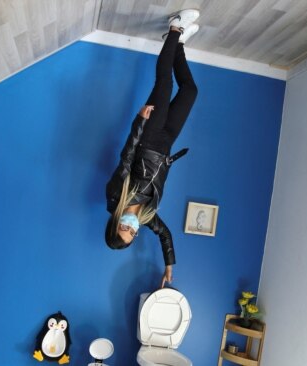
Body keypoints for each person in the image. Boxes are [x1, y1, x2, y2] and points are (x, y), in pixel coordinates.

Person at [105, 9, 200, 288]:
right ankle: (179, 45)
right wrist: (169, 265)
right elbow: (165, 235)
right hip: (166, 143)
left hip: (148, 137)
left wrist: (138, 121)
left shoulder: (114, 196)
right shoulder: (146, 216)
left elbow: (126, 158)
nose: (131, 229)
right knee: (190, 92)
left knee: (164, 82)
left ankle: (174, 29)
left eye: (124, 229)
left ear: (114, 224)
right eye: (132, 234)